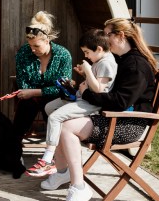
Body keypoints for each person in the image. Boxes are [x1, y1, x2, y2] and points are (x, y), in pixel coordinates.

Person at [40, 17, 158, 201]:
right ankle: (63, 173)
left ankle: (78, 188)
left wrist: (86, 93)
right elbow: (107, 91)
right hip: (113, 116)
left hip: (129, 125)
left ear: (120, 36)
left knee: (67, 126)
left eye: (108, 34)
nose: (104, 38)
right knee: (61, 118)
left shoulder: (136, 65)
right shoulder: (122, 60)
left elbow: (120, 102)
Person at [25, 28, 117, 177]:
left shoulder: (107, 63)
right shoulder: (99, 60)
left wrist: (87, 71)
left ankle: (48, 158)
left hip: (91, 104)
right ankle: (60, 140)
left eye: (87, 52)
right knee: (50, 108)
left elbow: (99, 90)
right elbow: (94, 81)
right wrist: (85, 73)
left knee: (55, 117)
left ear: (99, 49)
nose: (86, 56)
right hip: (82, 97)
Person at [12, 11, 72, 145]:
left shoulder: (63, 55)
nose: (32, 50)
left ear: (47, 40)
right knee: (22, 117)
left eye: (36, 46)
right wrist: (32, 93)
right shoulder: (24, 52)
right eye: (30, 45)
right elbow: (23, 83)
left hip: (54, 98)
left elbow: (63, 88)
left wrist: (35, 92)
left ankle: (55, 153)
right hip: (30, 97)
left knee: (52, 110)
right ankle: (13, 151)